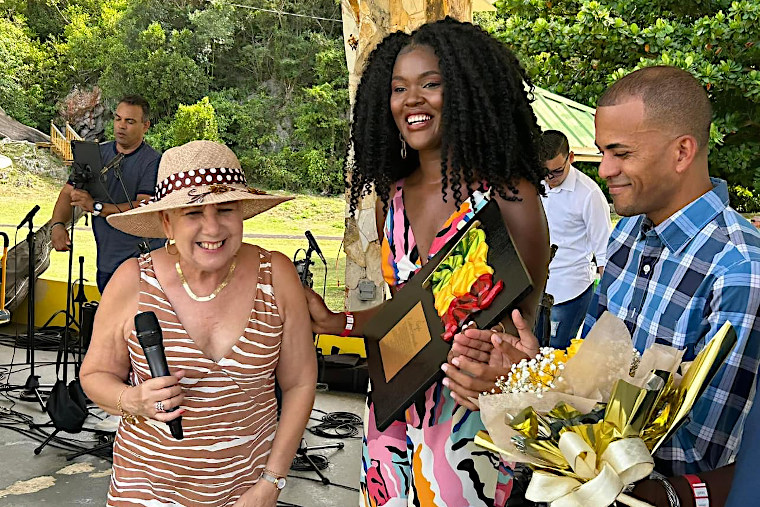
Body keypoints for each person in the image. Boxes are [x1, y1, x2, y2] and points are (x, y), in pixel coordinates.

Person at [463, 65, 760, 480]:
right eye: (603, 152)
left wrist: (527, 400)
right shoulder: (628, 235)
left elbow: (694, 455)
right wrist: (534, 370)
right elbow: (589, 378)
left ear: (682, 152)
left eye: (621, 153)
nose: (603, 170)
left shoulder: (739, 271)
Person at [306, 18, 551, 507]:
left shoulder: (508, 199)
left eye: (430, 84)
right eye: (398, 89)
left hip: (468, 419)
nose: (411, 101)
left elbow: (518, 331)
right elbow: (408, 316)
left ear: (464, 92)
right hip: (392, 417)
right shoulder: (389, 199)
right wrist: (337, 320)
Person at [79, 140, 317, 507]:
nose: (212, 227)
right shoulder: (132, 281)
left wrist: (272, 481)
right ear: (166, 222)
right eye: (192, 212)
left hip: (247, 491)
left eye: (225, 209)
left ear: (241, 213)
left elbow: (300, 382)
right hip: (145, 489)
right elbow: (94, 376)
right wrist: (133, 400)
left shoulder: (277, 275)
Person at [50, 95, 164, 292]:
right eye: (118, 118)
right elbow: (69, 191)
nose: (121, 126)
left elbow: (144, 206)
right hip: (107, 262)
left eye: (130, 121)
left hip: (145, 263)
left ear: (145, 126)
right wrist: (58, 225)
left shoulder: (154, 161)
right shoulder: (96, 154)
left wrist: (96, 207)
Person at [536, 129, 611, 348]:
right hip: (534, 291)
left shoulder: (589, 194)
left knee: (556, 360)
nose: (550, 179)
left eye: (557, 171)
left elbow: (605, 256)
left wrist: (605, 309)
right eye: (544, 172)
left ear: (571, 158)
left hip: (569, 293)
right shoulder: (534, 183)